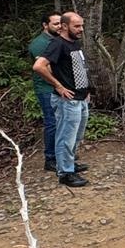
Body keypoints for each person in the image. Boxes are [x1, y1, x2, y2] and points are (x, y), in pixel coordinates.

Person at [32, 12, 91, 187]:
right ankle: (65, 173)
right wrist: (58, 86)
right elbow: (39, 66)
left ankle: (69, 164)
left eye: (81, 25)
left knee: (76, 136)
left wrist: (86, 90)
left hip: (80, 98)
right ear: (65, 26)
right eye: (77, 26)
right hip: (67, 100)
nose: (81, 29)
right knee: (65, 136)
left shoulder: (74, 43)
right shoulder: (57, 44)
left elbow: (78, 69)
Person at [29, 12, 62, 172]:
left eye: (61, 23)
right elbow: (44, 68)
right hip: (46, 88)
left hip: (59, 87)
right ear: (45, 25)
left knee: (62, 122)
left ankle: (60, 155)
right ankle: (50, 159)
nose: (59, 26)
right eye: (55, 23)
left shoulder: (57, 40)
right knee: (52, 122)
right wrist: (59, 83)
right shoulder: (39, 44)